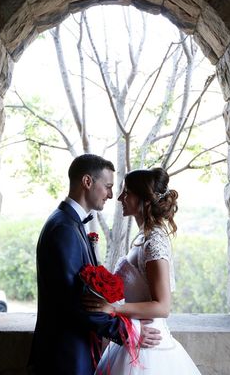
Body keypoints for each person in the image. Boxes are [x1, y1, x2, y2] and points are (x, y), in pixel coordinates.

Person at [28, 154, 161, 375]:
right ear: (87, 182)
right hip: (65, 356)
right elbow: (75, 300)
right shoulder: (64, 229)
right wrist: (128, 333)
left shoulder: (70, 223)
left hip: (74, 350)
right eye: (108, 186)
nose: (111, 194)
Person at [83, 167, 201, 374]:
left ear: (145, 199)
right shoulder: (141, 238)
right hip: (133, 338)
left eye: (127, 192)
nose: (120, 198)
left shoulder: (154, 241)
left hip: (150, 346)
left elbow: (162, 307)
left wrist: (113, 309)